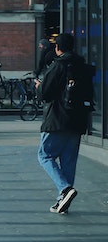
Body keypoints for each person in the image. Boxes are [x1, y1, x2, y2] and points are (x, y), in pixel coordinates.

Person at [36, 32, 89, 215]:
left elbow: (45, 93)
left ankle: (65, 189)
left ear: (58, 48)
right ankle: (63, 201)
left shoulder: (59, 65)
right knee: (68, 161)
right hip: (78, 121)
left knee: (45, 155)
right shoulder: (82, 66)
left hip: (58, 118)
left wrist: (38, 87)